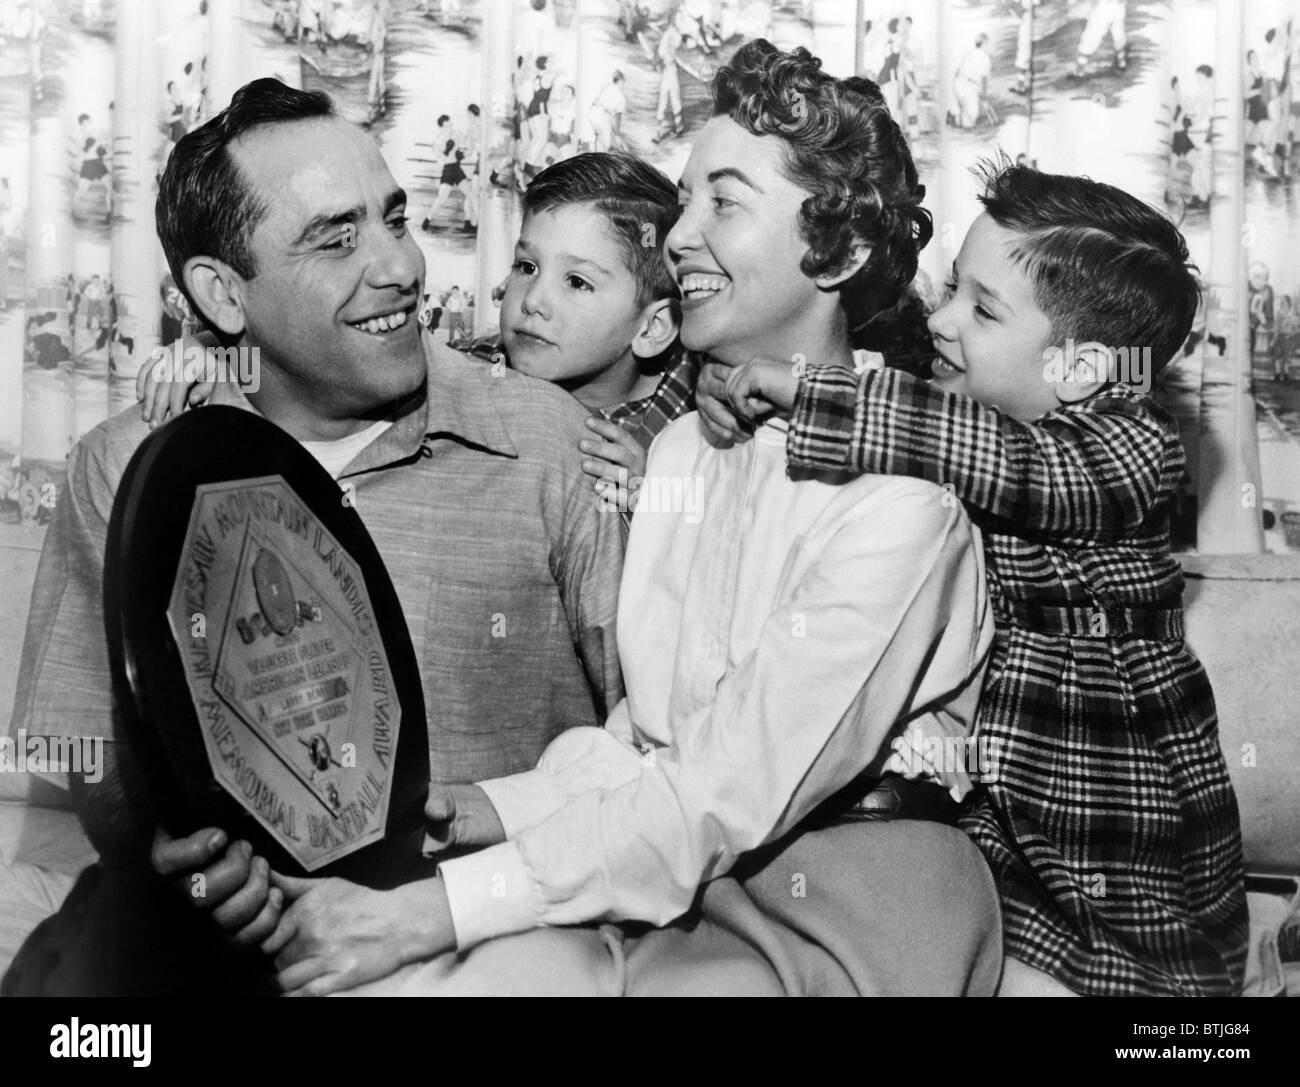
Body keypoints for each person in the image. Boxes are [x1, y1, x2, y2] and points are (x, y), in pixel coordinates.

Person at [257, 39, 1001, 999]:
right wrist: (475, 811)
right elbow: (646, 742)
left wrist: (426, 911)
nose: (678, 236)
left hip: (857, 901)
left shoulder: (902, 499)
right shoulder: (686, 451)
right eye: (684, 199)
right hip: (674, 874)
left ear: (842, 250)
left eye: (723, 202)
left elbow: (724, 787)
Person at [1, 77, 625, 998]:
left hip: (474, 939)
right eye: (337, 238)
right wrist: (178, 852)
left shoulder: (552, 446)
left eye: (395, 218)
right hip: (202, 940)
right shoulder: (126, 464)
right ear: (221, 293)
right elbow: (76, 745)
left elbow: (657, 741)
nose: (403, 267)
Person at [697, 161, 1249, 998]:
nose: (943, 320)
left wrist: (815, 394)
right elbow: (908, 406)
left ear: (1083, 370)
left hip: (1117, 798)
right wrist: (723, 393)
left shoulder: (1136, 449)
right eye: (952, 287)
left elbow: (1006, 464)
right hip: (1002, 801)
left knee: (1145, 984)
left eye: (983, 308)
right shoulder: (978, 404)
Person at [142, 151, 697, 529]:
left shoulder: (693, 414)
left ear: (651, 328)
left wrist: (661, 498)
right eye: (526, 266)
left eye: (576, 282)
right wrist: (212, 347)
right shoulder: (474, 366)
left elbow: (735, 542)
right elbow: (337, 353)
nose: (532, 300)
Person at [951, 33, 991, 129]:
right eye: (988, 44)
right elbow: (984, 80)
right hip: (968, 87)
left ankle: (956, 119)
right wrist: (984, 98)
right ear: (984, 43)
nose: (989, 46)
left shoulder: (969, 54)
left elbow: (957, 72)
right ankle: (958, 122)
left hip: (958, 84)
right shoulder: (985, 58)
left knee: (965, 110)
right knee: (971, 117)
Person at [588, 70, 626, 152]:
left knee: (599, 140)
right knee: (605, 144)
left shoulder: (607, 87)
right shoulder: (620, 96)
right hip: (602, 117)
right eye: (623, 83)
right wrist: (617, 134)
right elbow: (617, 116)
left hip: (593, 114)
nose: (623, 85)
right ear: (620, 81)